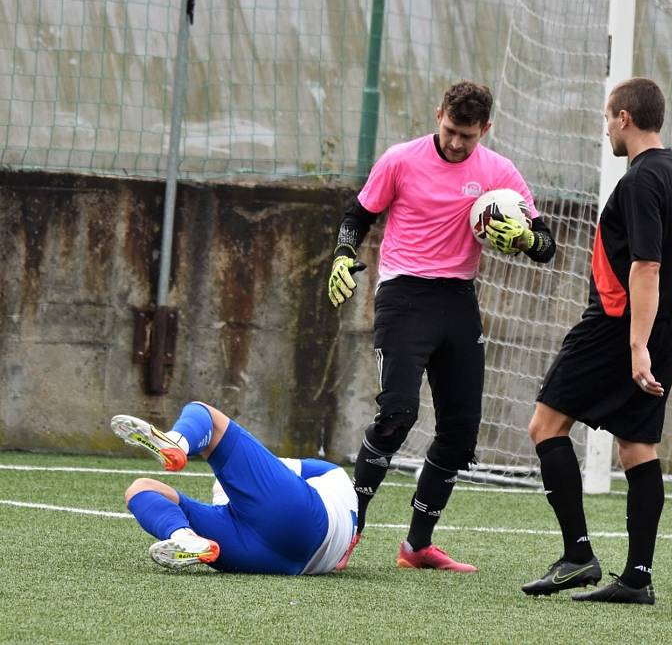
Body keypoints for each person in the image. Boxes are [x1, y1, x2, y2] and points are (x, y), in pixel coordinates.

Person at [327, 80, 556, 572]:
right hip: (403, 296)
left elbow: (546, 243)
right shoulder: (400, 160)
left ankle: (417, 546)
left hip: (458, 300)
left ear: (485, 130)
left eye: (467, 136)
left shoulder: (499, 174)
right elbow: (357, 216)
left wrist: (524, 240)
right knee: (397, 415)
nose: (456, 143)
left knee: (460, 431)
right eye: (451, 130)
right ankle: (346, 531)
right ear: (438, 116)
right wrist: (344, 252)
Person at [521, 77, 672, 604]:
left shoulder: (642, 179)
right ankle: (637, 578)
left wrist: (635, 344)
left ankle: (578, 556)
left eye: (607, 118)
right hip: (665, 323)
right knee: (636, 445)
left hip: (619, 325)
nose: (605, 129)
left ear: (625, 117)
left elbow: (646, 264)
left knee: (545, 425)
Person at [110, 402, 357, 574]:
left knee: (204, 413)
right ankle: (184, 538)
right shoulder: (329, 476)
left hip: (285, 534)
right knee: (139, 489)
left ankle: (177, 442)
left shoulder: (321, 471)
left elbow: (264, 469)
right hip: (288, 558)